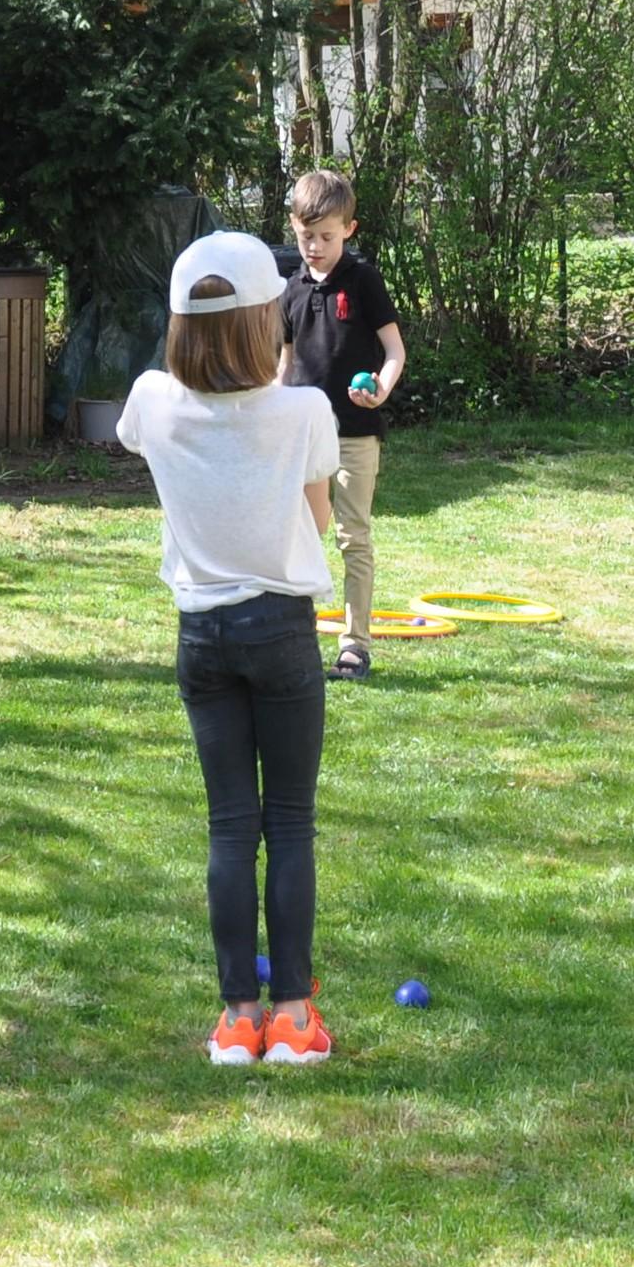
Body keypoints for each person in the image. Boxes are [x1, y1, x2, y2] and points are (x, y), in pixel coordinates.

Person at [117, 233, 343, 1068]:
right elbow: (318, 519)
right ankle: (292, 1018)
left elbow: (172, 401)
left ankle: (235, 1020)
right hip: (281, 628)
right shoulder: (303, 410)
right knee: (288, 823)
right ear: (265, 324)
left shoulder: (151, 401)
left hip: (201, 635)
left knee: (228, 826)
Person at [277, 169, 410, 679]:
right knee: (303, 536)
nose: (315, 246)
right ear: (294, 227)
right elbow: (285, 365)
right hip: (305, 437)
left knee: (353, 535)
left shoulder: (363, 280)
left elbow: (395, 350)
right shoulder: (289, 291)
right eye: (307, 236)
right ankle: (297, 634)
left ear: (348, 230)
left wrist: (380, 389)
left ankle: (355, 644)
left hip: (356, 431)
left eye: (327, 237)